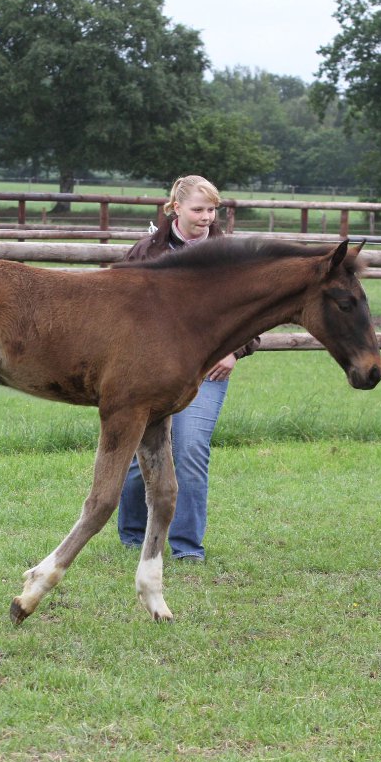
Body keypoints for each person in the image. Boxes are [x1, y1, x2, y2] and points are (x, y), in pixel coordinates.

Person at [117, 175, 258, 563]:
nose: (207, 217)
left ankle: (185, 547)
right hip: (147, 373)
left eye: (212, 210)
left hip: (204, 371)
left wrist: (233, 350)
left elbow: (253, 316)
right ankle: (131, 534)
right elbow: (116, 311)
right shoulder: (146, 252)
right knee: (137, 454)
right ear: (175, 208)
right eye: (199, 209)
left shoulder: (231, 258)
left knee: (190, 448)